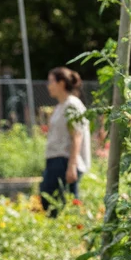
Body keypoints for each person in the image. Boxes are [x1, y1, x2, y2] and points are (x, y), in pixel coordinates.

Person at [41, 67, 91, 214]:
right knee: (49, 200)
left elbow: (77, 135)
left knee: (64, 203)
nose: (48, 86)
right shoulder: (60, 106)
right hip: (55, 160)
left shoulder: (72, 104)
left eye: (51, 82)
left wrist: (72, 166)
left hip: (65, 161)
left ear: (61, 83)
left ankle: (73, 231)